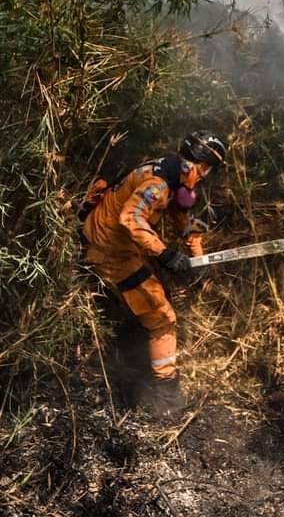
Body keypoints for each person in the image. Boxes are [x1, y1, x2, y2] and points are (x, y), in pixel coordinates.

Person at [81, 130, 227, 415]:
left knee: (159, 295)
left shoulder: (171, 173)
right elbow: (130, 218)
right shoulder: (158, 184)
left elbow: (184, 221)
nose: (205, 178)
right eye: (207, 171)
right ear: (202, 166)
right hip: (110, 252)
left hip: (117, 246)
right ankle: (167, 399)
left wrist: (198, 261)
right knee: (162, 317)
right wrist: (165, 253)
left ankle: (137, 359)